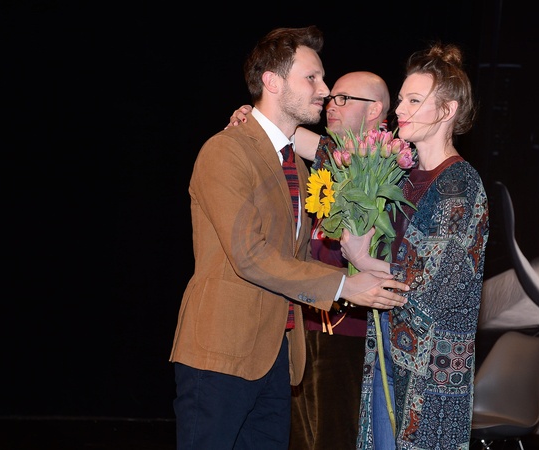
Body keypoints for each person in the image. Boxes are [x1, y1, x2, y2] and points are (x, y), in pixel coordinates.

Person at [169, 26, 408, 450]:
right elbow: (249, 256)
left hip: (276, 356)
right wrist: (343, 285)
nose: (325, 89)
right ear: (273, 82)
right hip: (221, 352)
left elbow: (293, 257)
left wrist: (362, 278)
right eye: (312, 78)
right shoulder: (226, 151)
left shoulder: (293, 163)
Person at [227, 71, 392, 450]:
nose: (331, 105)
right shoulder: (328, 159)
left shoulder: (393, 165)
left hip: (354, 328)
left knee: (335, 435)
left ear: (375, 110)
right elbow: (283, 131)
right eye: (330, 98)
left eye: (343, 99)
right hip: (306, 320)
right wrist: (252, 117)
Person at [340, 43, 490, 449]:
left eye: (414, 100)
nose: (400, 109)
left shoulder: (460, 186)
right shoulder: (403, 177)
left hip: (432, 370)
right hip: (388, 347)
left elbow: (429, 285)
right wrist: (262, 120)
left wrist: (361, 258)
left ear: (447, 110)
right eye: (401, 98)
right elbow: (333, 153)